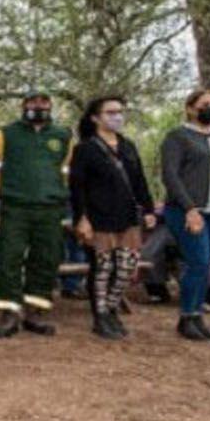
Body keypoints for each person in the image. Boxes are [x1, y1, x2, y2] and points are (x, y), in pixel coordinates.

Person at [0, 88, 72, 337]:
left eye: (44, 102)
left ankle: (35, 313)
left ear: (50, 106)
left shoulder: (63, 136)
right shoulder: (3, 134)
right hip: (15, 208)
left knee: (46, 259)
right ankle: (8, 314)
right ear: (23, 105)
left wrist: (54, 192)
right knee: (9, 258)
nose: (38, 106)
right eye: (33, 102)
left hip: (50, 209)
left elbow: (69, 173)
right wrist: (8, 188)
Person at [69, 96, 156, 340]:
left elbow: (139, 181)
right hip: (99, 217)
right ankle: (101, 315)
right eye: (110, 112)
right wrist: (81, 218)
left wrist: (148, 210)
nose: (117, 116)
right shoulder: (85, 148)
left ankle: (112, 306)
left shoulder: (128, 146)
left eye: (119, 111)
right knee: (103, 268)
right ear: (95, 117)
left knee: (126, 267)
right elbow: (77, 187)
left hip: (127, 216)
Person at [159, 89, 210, 340]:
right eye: (205, 104)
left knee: (206, 264)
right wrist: (189, 208)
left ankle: (197, 317)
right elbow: (171, 175)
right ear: (190, 108)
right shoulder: (177, 136)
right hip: (189, 210)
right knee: (198, 261)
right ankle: (186, 316)